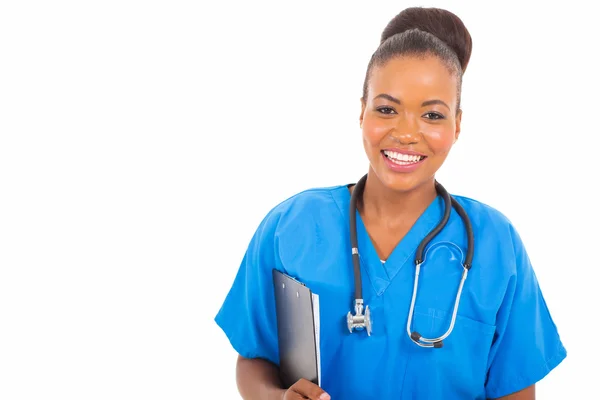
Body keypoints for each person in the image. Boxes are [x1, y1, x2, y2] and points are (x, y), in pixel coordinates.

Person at [214, 6, 566, 400]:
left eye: (432, 114)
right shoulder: (291, 226)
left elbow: (515, 390)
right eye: (386, 109)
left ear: (457, 125)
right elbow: (254, 358)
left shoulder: (496, 245)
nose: (406, 133)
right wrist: (275, 398)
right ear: (361, 111)